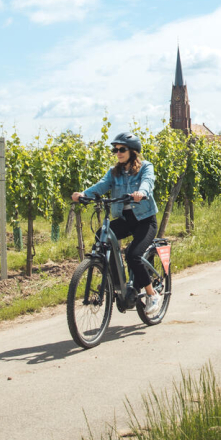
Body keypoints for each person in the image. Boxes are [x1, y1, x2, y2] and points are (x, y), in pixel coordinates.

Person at [71, 132, 162, 313]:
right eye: (115, 149)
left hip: (145, 220)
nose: (117, 152)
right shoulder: (115, 172)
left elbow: (148, 182)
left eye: (122, 149)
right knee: (101, 235)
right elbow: (102, 185)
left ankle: (152, 294)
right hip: (125, 219)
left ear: (133, 151)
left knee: (133, 255)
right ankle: (117, 283)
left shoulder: (145, 167)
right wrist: (84, 194)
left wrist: (141, 193)